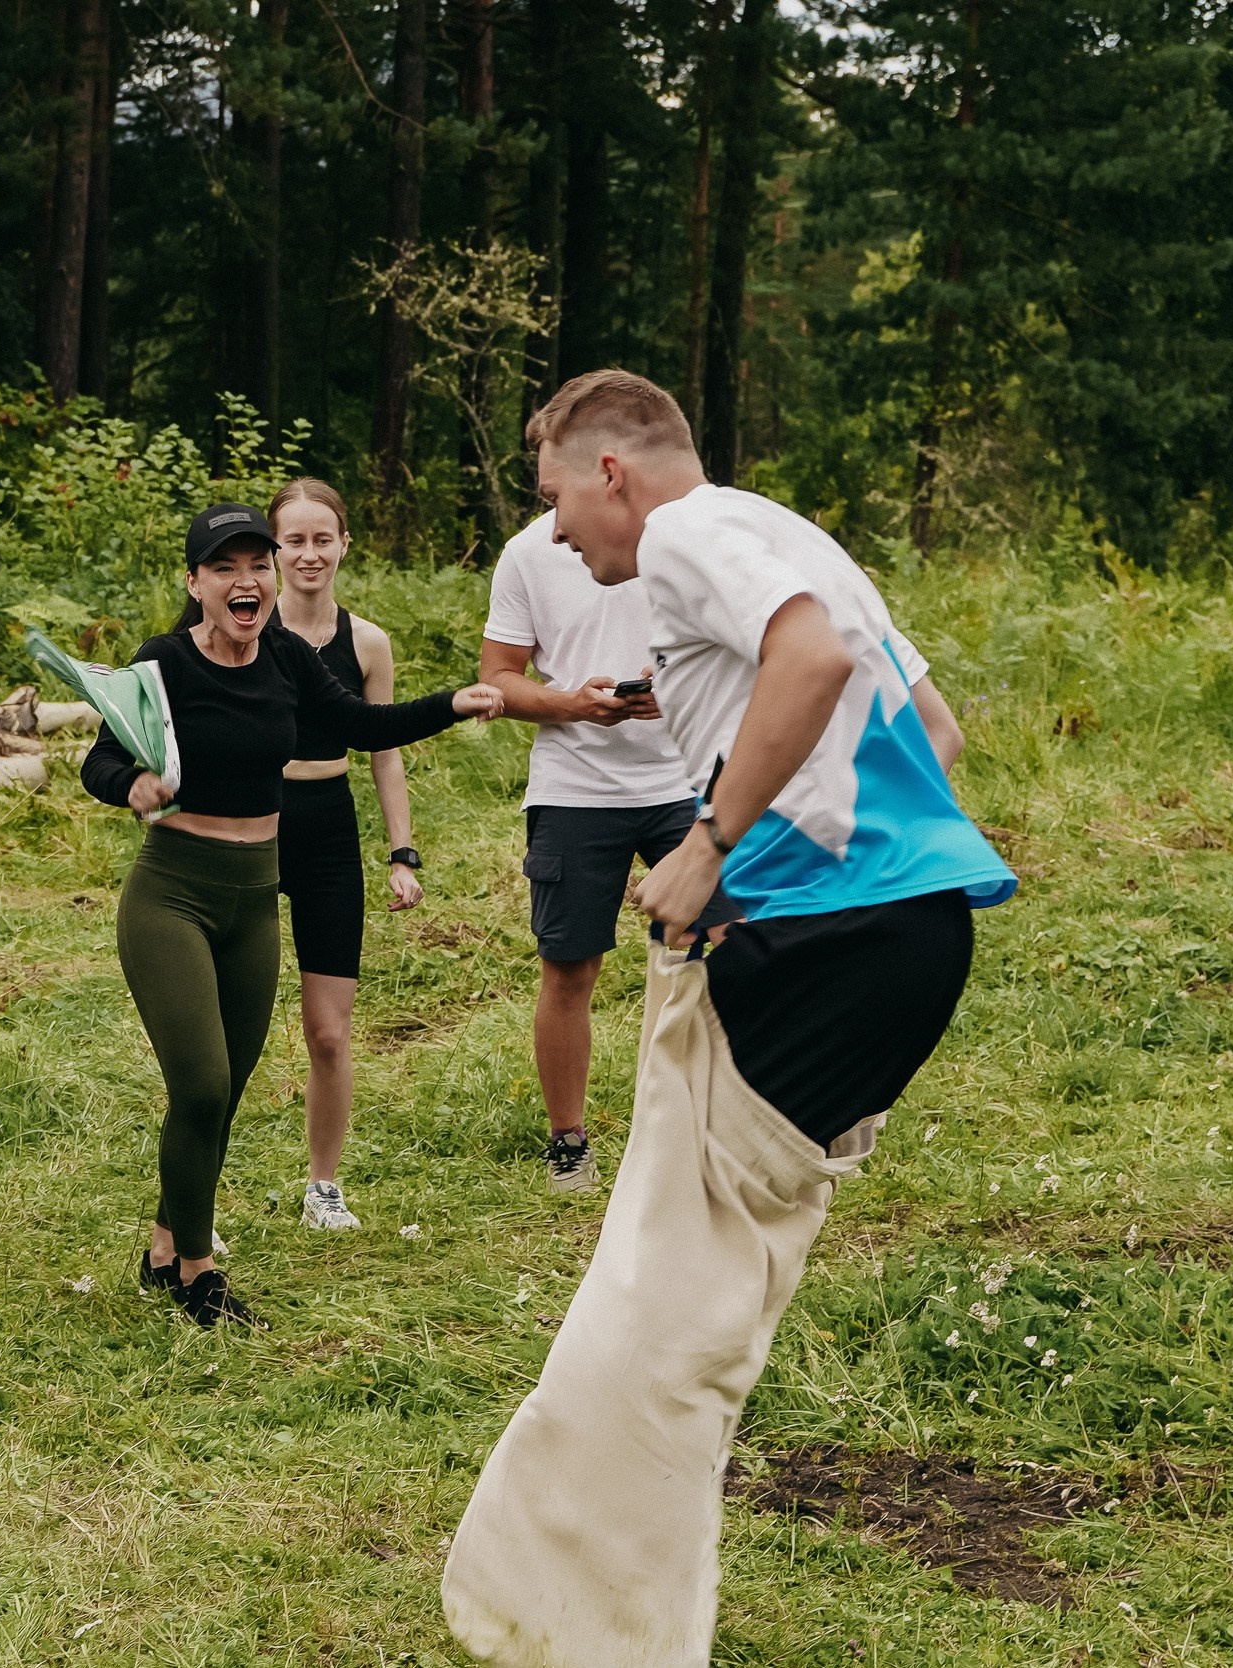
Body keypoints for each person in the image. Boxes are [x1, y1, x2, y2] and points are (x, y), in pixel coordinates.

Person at [441, 371, 1008, 1665]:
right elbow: (935, 728)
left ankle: (580, 1620)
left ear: (614, 474)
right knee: (703, 1281)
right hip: (919, 937)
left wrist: (711, 843)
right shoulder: (791, 533)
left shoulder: (690, 537)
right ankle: (599, 1606)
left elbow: (805, 663)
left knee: (656, 1304)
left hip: (831, 936)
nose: (558, 539)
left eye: (556, 505)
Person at [81, 503, 503, 1327]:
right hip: (173, 891)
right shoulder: (161, 663)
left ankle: (164, 1246)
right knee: (199, 1080)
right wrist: (130, 785)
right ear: (196, 582)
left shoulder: (285, 655)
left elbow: (358, 724)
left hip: (255, 893)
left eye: (258, 565)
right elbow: (102, 755)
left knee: (227, 1088)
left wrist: (451, 703)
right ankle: (201, 1274)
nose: (248, 581)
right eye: (227, 567)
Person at [479, 503, 696, 1194]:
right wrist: (572, 702)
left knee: (719, 946)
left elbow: (741, 653)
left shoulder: (684, 539)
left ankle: (707, 1124)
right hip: (575, 792)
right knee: (569, 968)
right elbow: (499, 679)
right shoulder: (528, 551)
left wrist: (681, 691)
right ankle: (568, 1142)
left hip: (685, 782)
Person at [264, 479, 421, 1232]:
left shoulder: (368, 642)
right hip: (252, 823)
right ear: (273, 549)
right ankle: (198, 1193)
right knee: (234, 1022)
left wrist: (402, 850)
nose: (308, 554)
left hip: (328, 823)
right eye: (293, 540)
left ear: (344, 545)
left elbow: (383, 748)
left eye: (322, 538)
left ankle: (322, 1187)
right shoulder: (244, 630)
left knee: (329, 1030)